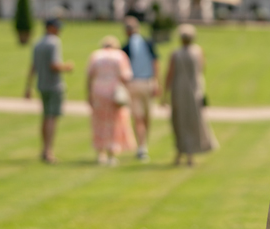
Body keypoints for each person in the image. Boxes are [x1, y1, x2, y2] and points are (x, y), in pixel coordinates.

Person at [164, 24, 218, 167]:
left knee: (181, 122)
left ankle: (183, 153)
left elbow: (169, 75)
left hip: (179, 91)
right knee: (193, 122)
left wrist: (164, 95)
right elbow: (202, 69)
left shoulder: (176, 54)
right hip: (194, 91)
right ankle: (189, 155)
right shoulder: (198, 52)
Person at [24, 18, 74, 164]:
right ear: (50, 27)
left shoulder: (37, 43)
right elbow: (54, 65)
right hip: (53, 85)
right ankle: (48, 152)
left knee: (46, 117)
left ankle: (44, 149)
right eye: (57, 28)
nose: (59, 31)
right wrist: (67, 67)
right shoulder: (53, 42)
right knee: (52, 117)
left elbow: (33, 66)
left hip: (41, 85)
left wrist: (28, 87)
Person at [86, 35, 136, 166]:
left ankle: (100, 153)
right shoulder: (120, 56)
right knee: (115, 123)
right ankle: (112, 153)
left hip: (98, 92)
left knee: (99, 122)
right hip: (114, 93)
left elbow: (89, 76)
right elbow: (126, 76)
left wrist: (89, 94)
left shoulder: (96, 56)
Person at [122, 16, 159, 162]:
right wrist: (157, 82)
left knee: (139, 118)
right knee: (145, 117)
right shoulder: (147, 43)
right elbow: (156, 64)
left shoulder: (126, 47)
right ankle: (143, 146)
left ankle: (142, 146)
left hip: (134, 84)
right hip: (148, 82)